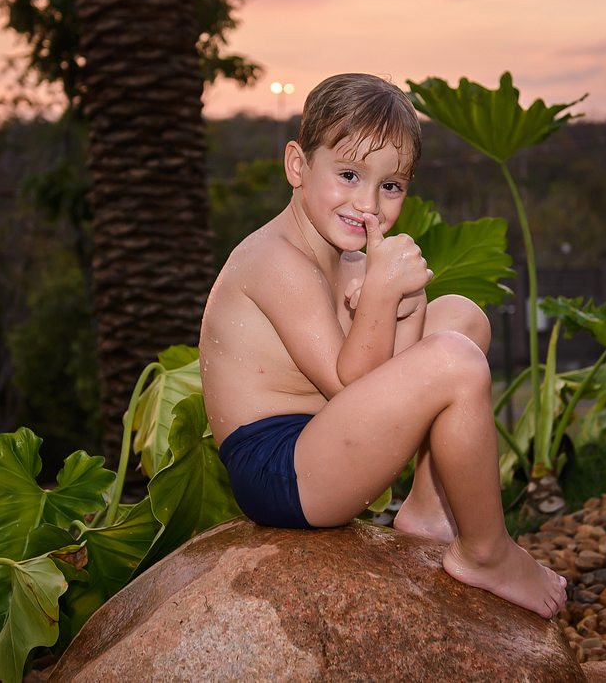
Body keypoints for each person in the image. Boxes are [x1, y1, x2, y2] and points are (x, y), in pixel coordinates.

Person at [200, 72, 567, 618]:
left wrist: (408, 301)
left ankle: (429, 510)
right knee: (454, 362)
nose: (368, 203)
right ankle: (487, 553)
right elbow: (350, 385)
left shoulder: (347, 256)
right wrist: (379, 292)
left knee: (461, 319)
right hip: (282, 471)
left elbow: (396, 368)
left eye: (390, 186)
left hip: (330, 434)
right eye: (349, 174)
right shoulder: (275, 261)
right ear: (297, 165)